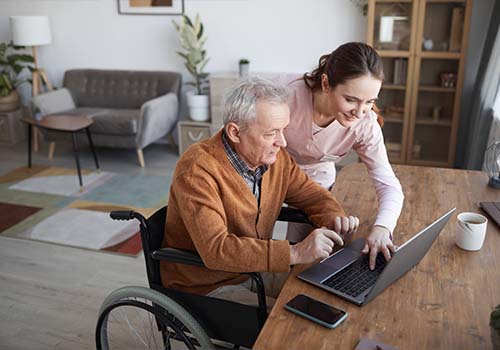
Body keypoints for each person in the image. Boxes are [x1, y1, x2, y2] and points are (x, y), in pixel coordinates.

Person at [160, 78, 358, 304]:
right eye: (271, 133)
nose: (282, 142)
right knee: (293, 319)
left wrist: (334, 217)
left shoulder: (275, 159)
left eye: (283, 130)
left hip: (254, 270)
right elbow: (217, 249)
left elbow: (311, 194)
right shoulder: (197, 170)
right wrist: (295, 253)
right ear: (235, 132)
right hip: (206, 285)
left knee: (327, 294)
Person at [283, 42, 404, 270]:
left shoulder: (365, 124)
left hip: (317, 183)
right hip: (272, 174)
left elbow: (388, 184)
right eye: (351, 100)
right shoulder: (288, 96)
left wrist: (382, 228)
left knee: (311, 259)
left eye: (369, 102)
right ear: (327, 84)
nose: (359, 113)